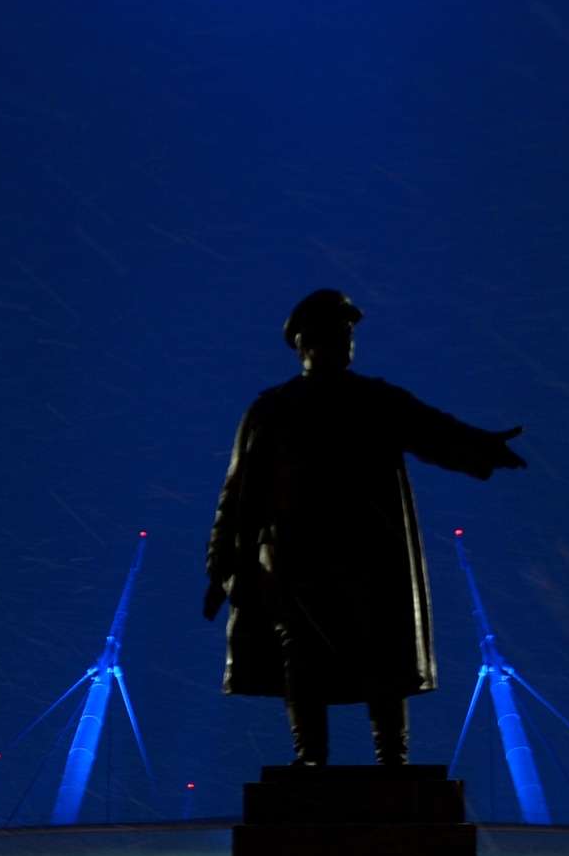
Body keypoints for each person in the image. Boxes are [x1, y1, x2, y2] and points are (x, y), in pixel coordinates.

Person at [203, 289, 526, 764]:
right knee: (307, 654)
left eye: (348, 332)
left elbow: (435, 431)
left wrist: (483, 447)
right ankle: (314, 759)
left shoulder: (372, 399)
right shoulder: (271, 410)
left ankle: (389, 758)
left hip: (366, 554)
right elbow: (236, 494)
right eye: (337, 331)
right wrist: (220, 566)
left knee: (379, 649)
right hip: (296, 558)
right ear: (306, 342)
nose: (346, 340)